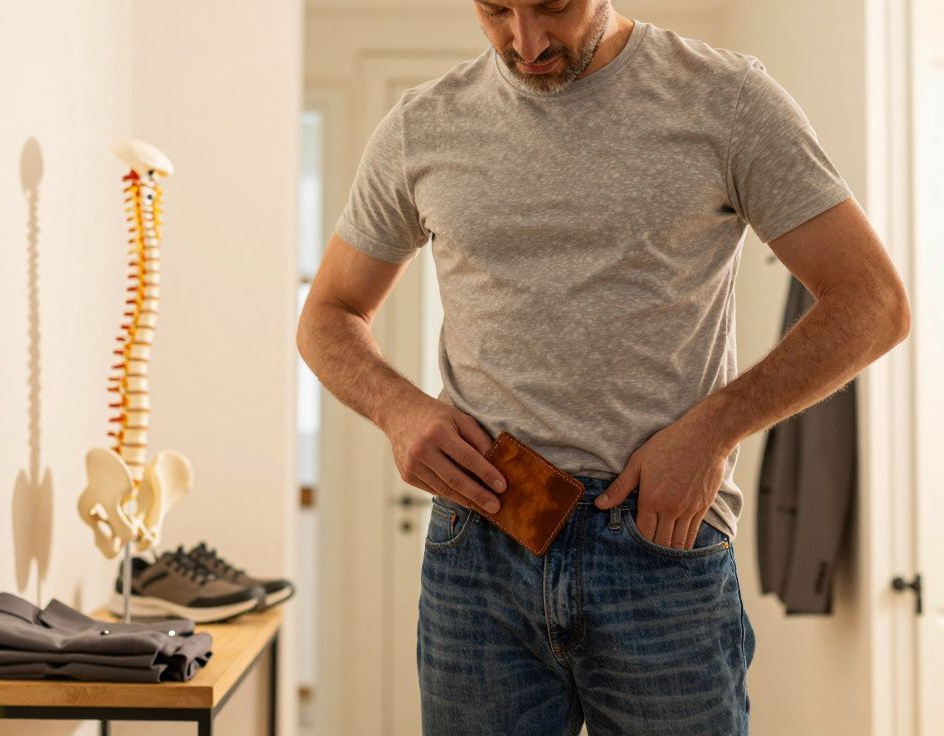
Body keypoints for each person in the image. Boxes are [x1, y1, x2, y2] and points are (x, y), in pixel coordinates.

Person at [295, 1, 910, 733]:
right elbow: (326, 315)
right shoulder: (420, 126)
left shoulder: (727, 99)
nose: (525, 43)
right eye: (495, 10)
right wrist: (401, 411)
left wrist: (712, 432)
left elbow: (872, 303)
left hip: (662, 541)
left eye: (552, 6)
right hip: (481, 545)